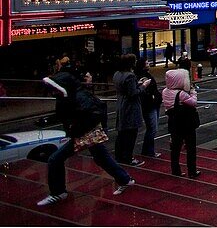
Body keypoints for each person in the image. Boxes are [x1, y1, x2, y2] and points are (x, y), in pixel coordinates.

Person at [38, 69, 134, 206]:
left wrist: (75, 129)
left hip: (84, 134)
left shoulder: (77, 97)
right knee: (101, 157)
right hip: (85, 133)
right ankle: (125, 179)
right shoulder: (69, 96)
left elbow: (93, 114)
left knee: (55, 159)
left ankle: (58, 192)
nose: (53, 92)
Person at [163, 65, 200, 177]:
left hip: (173, 122)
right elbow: (194, 102)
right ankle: (192, 171)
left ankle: (176, 170)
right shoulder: (181, 94)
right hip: (186, 123)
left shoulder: (165, 91)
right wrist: (193, 92)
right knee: (190, 147)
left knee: (175, 148)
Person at [112, 54, 145, 167]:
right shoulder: (130, 76)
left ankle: (119, 155)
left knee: (121, 133)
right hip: (130, 107)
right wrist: (143, 86)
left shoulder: (117, 74)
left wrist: (137, 84)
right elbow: (133, 93)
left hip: (121, 104)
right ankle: (128, 157)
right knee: (131, 133)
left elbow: (125, 88)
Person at [136, 58, 161, 159]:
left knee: (152, 128)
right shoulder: (143, 77)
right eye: (146, 63)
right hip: (150, 105)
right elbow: (146, 90)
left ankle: (147, 150)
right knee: (152, 128)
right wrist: (153, 97)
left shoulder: (144, 74)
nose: (148, 64)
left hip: (152, 104)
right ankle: (149, 151)